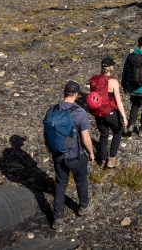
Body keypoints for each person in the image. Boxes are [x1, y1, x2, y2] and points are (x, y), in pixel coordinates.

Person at [43, 81, 95, 230]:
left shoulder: (52, 109)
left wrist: (50, 148)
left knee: (60, 184)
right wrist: (91, 153)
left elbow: (46, 131)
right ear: (77, 95)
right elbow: (85, 137)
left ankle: (57, 218)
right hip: (75, 156)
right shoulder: (79, 113)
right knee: (81, 181)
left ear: (63, 92)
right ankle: (83, 207)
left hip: (58, 154)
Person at [94, 57, 128, 168]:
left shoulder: (95, 80)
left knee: (103, 135)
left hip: (98, 113)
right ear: (111, 67)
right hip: (110, 112)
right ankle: (112, 158)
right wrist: (124, 116)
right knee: (118, 131)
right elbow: (118, 101)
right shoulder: (113, 82)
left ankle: (103, 159)